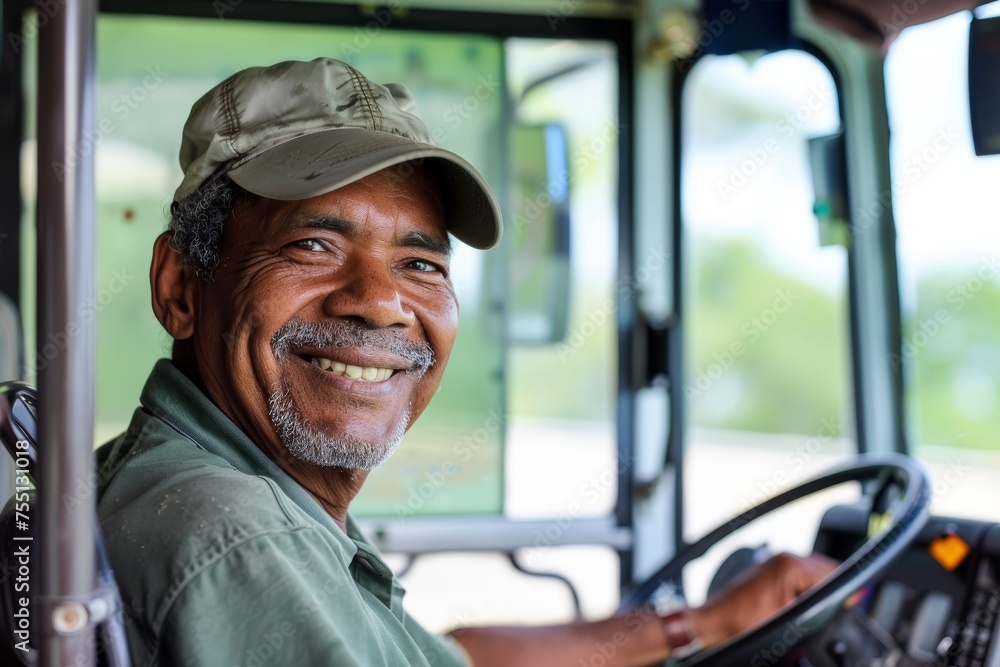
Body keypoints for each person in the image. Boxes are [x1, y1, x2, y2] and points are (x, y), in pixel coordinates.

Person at [96, 57, 836, 667]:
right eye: (312, 246)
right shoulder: (241, 538)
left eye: (420, 263)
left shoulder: (202, 488)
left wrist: (697, 624)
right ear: (180, 289)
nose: (380, 303)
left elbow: (448, 656)